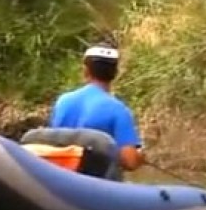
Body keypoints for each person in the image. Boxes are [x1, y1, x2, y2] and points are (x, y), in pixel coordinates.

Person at [48, 42, 145, 171]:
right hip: (97, 185)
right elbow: (130, 161)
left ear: (85, 70)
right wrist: (140, 157)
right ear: (115, 73)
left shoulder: (63, 101)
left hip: (61, 179)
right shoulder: (119, 110)